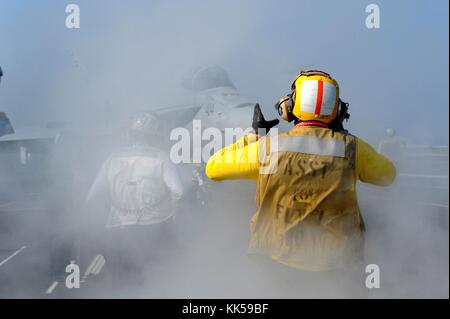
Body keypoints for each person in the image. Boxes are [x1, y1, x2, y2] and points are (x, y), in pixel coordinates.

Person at [205, 70, 396, 297]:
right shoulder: (353, 149)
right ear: (339, 111)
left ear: (290, 106)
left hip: (277, 261)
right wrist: (343, 135)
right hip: (336, 265)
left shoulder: (268, 148)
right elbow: (388, 176)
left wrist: (254, 137)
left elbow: (213, 169)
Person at [85, 111, 184, 289]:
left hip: (118, 230)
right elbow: (178, 192)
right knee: (157, 282)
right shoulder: (161, 158)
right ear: (155, 135)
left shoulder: (112, 158)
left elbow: (93, 196)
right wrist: (174, 218)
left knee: (121, 283)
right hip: (155, 230)